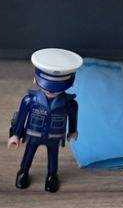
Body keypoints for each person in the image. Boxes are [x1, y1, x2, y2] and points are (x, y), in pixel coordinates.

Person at [8, 48, 83, 193]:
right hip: (33, 134)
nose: (51, 91)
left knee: (53, 156)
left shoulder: (69, 104)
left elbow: (73, 117)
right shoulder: (30, 100)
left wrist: (73, 131)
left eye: (57, 87)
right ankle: (23, 172)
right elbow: (21, 117)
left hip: (54, 136)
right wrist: (15, 135)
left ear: (71, 84)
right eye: (47, 86)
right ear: (35, 79)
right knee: (28, 154)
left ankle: (52, 176)